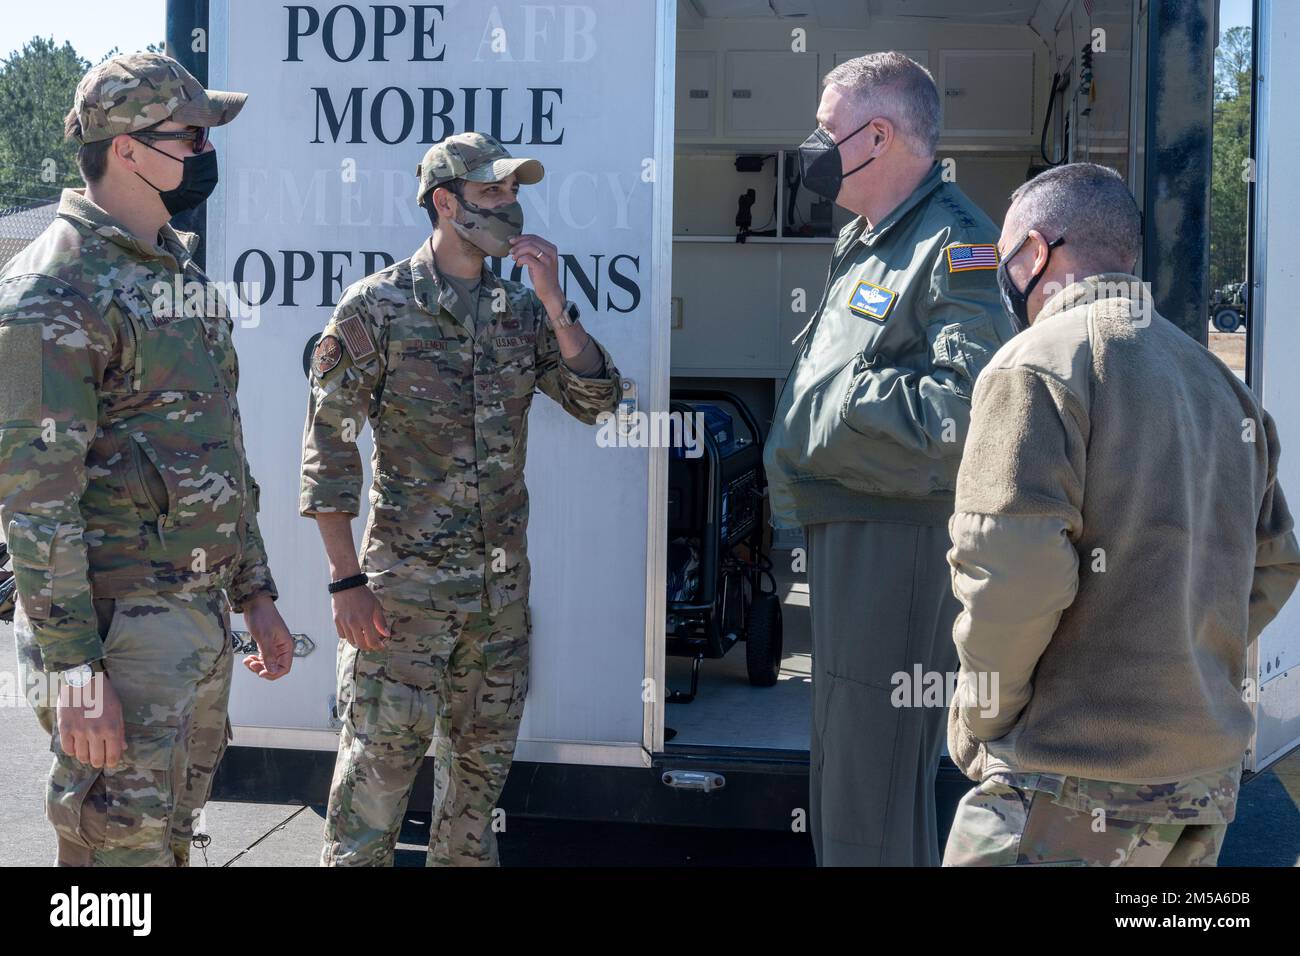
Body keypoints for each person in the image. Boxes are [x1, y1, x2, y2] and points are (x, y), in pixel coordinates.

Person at [943, 162, 1300, 866]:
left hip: (1066, 776)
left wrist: (985, 714)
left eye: (1009, 255)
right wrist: (1180, 658)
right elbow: (1272, 563)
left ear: (1038, 251)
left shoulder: (1034, 365)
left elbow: (1012, 571)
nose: (1004, 274)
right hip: (1198, 782)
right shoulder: (1222, 388)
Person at [0, 52, 294, 867]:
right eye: (191, 137)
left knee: (166, 841)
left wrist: (256, 593)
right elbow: (35, 503)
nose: (205, 154)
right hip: (113, 631)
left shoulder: (176, 269)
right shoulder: (45, 292)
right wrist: (75, 673)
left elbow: (218, 450)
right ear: (127, 148)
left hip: (191, 617)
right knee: (111, 860)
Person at [301, 131, 622, 866]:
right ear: (446, 204)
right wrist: (346, 580)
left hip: (496, 609)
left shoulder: (520, 310)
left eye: (513, 192)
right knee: (368, 810)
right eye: (492, 193)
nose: (511, 205)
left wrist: (554, 301)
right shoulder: (377, 308)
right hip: (400, 608)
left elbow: (595, 399)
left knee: (472, 821)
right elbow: (329, 450)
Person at [762, 52, 1013, 866]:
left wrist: (830, 407)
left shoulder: (956, 243)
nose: (814, 147)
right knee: (847, 761)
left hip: (898, 537)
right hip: (852, 517)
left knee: (870, 769)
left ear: (877, 136)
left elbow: (970, 409)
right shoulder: (870, 240)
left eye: (826, 129)